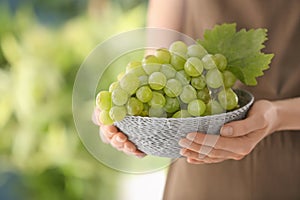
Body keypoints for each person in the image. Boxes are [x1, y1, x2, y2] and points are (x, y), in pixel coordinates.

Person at [97, 0, 300, 199]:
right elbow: (157, 62)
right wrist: (131, 120)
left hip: (289, 166)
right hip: (196, 162)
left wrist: (278, 115)